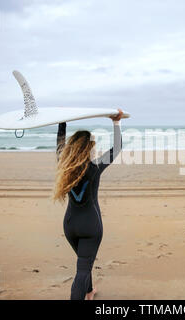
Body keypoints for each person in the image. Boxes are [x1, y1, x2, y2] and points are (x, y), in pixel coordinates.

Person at [53, 109, 124, 300]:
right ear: (88, 148)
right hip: (90, 226)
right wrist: (116, 122)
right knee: (83, 268)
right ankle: (82, 291)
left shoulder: (64, 166)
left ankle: (89, 291)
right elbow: (117, 149)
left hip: (70, 225)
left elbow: (59, 145)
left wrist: (62, 123)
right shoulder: (94, 168)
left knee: (84, 262)